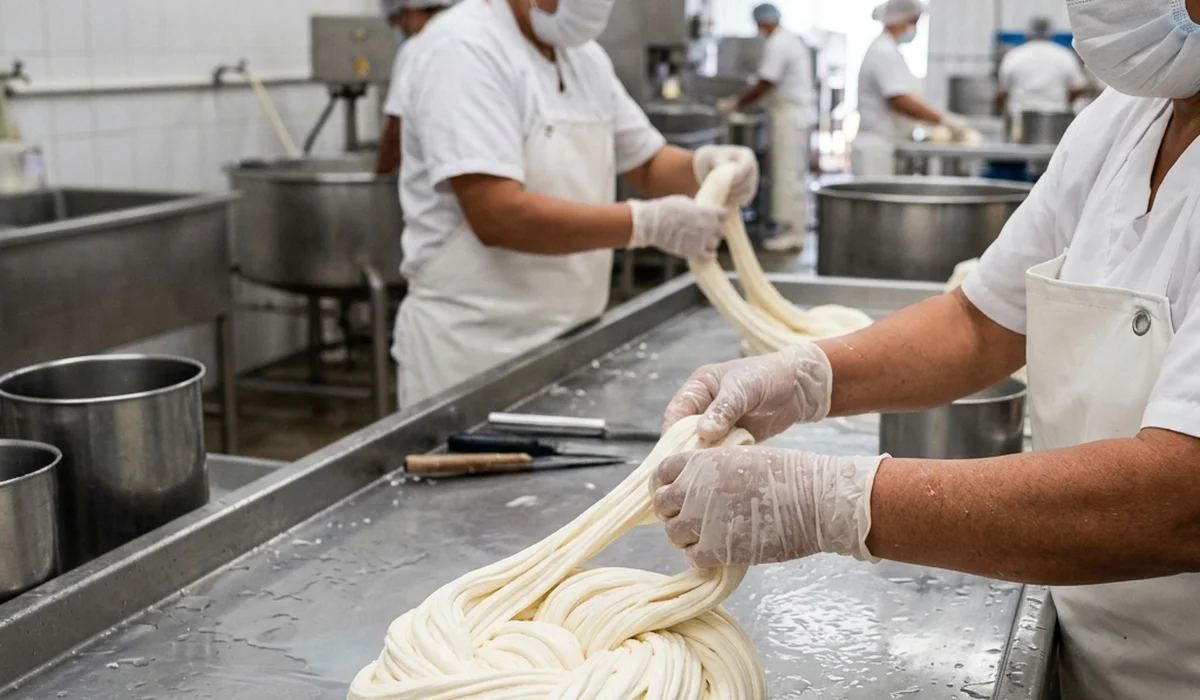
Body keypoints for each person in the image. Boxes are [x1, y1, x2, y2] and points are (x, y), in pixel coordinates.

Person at [652, 0, 1200, 696]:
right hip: (1089, 637)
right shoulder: (1119, 121)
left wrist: (841, 501)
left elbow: (1182, 496)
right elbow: (982, 323)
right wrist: (805, 377)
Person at [390, 0, 760, 407]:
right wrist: (644, 224)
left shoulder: (584, 58)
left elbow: (649, 164)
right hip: (473, 352)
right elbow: (496, 214)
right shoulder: (463, 48)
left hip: (572, 339)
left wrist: (706, 167)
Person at [717, 3, 815, 250]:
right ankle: (792, 228)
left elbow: (765, 83)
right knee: (792, 174)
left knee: (786, 175)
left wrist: (735, 103)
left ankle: (791, 232)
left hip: (788, 116)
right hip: (793, 114)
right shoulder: (790, 40)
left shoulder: (779, 44)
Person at [853, 0, 968, 175]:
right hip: (876, 148)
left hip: (886, 144)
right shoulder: (884, 52)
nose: (914, 28)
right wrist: (943, 119)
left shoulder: (889, 51)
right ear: (899, 19)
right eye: (913, 22)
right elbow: (900, 100)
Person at [375, 0, 455, 175]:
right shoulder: (474, 38)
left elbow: (396, 132)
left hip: (433, 187)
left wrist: (378, 178)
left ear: (411, 10)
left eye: (396, 19)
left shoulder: (417, 48)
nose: (398, 28)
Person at [995, 16, 1086, 134]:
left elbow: (1002, 92)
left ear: (1027, 33)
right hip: (1055, 120)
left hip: (1020, 120)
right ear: (1050, 33)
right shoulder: (1064, 55)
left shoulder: (1013, 56)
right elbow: (1077, 89)